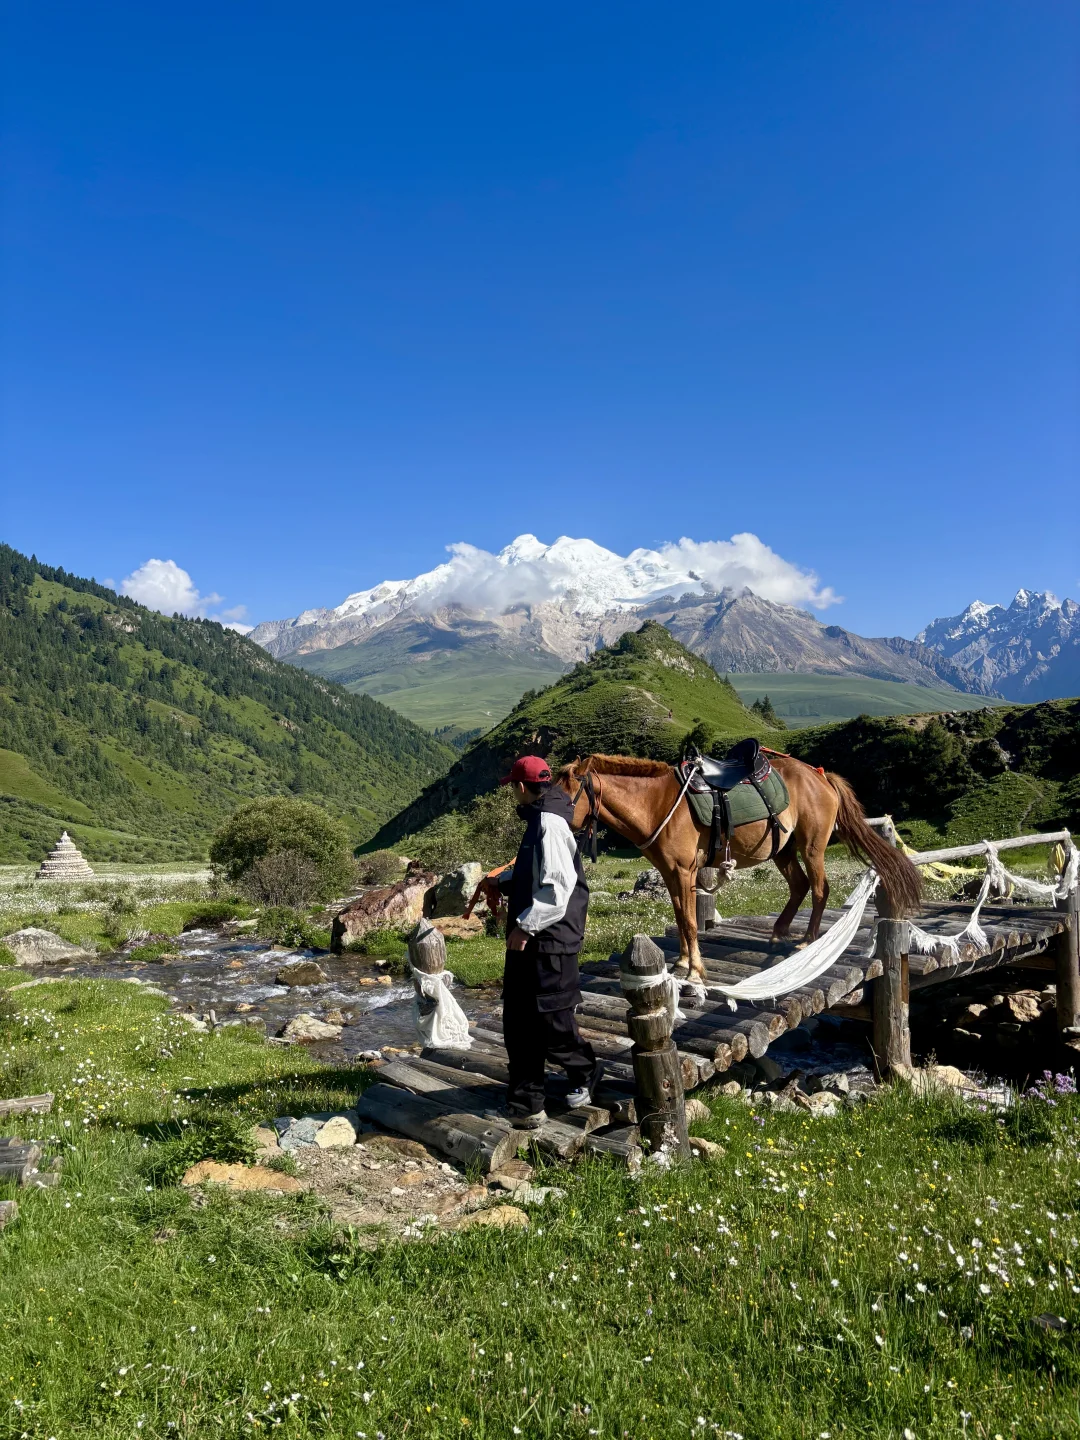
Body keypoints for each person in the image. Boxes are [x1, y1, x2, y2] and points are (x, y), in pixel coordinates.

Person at [494, 754, 602, 1128]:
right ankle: (527, 1104)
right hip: (534, 938)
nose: (514, 793)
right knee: (519, 1020)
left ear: (523, 788)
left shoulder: (550, 824)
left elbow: (557, 889)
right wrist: (503, 883)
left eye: (514, 787)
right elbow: (539, 873)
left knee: (552, 1022)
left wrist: (524, 926)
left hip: (551, 940)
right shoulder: (542, 818)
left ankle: (587, 1071)